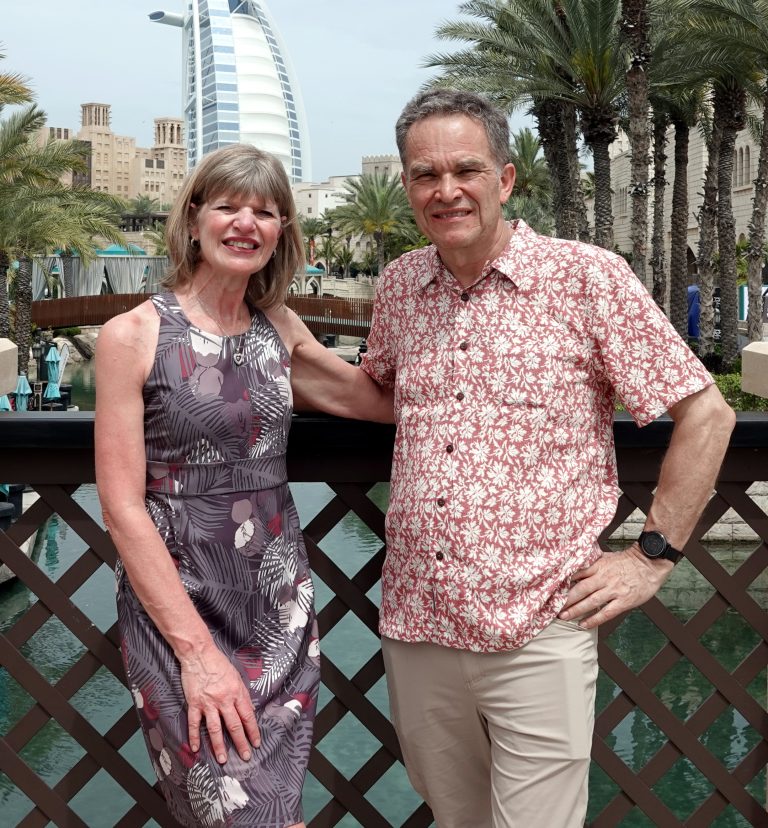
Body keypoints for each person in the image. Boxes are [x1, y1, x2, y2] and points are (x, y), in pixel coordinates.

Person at [359, 89, 736, 828]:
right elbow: (377, 394)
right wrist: (276, 333)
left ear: (504, 180)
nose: (446, 190)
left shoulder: (586, 277)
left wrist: (652, 556)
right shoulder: (401, 285)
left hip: (540, 622)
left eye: (466, 170)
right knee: (455, 818)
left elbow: (707, 413)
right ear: (407, 187)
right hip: (416, 621)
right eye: (426, 174)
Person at [95, 144, 391, 828]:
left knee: (277, 810)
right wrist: (196, 654)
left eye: (265, 211)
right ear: (194, 218)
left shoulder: (278, 328)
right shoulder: (132, 335)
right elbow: (121, 505)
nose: (246, 223)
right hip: (180, 608)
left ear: (283, 229)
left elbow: (371, 400)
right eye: (228, 206)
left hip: (277, 606)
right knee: (232, 808)